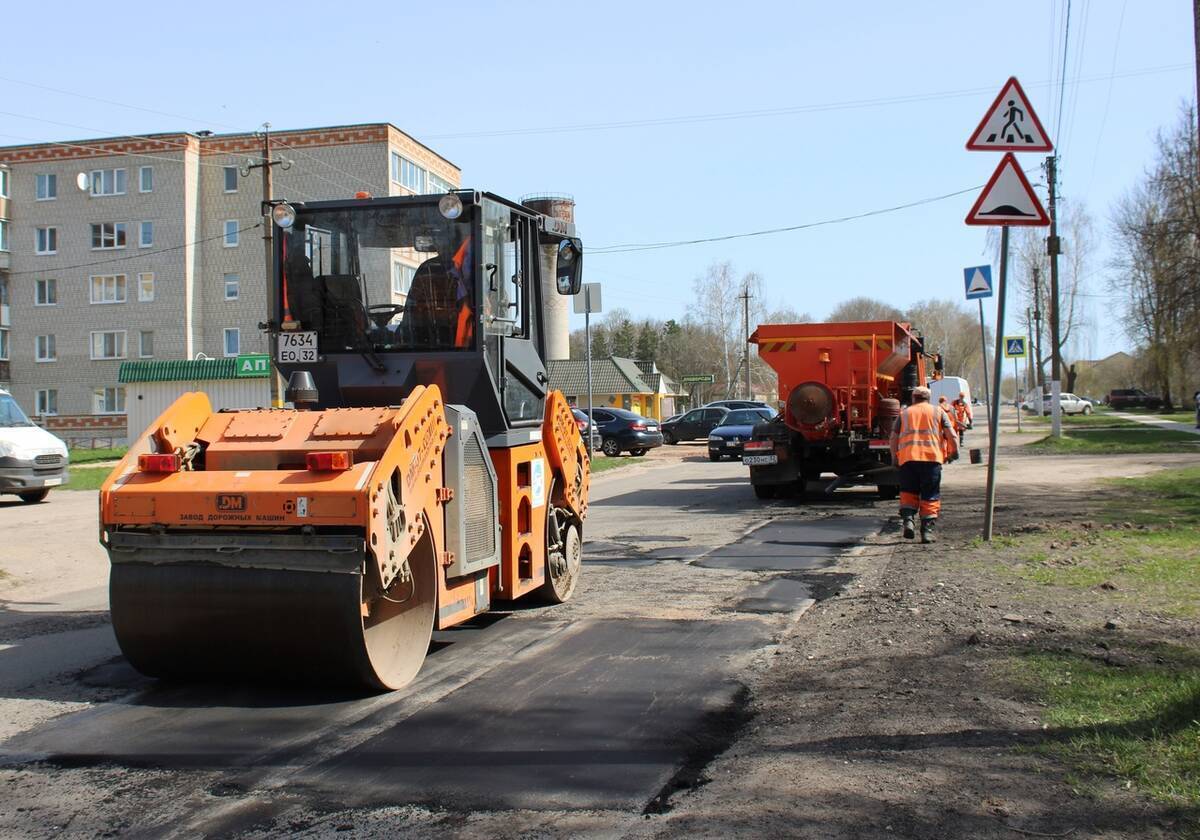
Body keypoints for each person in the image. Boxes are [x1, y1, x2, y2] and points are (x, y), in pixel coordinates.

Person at [891, 386, 959, 544]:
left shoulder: (904, 413)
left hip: (908, 460)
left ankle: (908, 519)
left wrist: (895, 457)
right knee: (930, 494)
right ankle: (927, 531)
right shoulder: (938, 412)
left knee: (908, 491)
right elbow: (952, 435)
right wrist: (953, 452)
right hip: (932, 460)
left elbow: (893, 438)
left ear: (913, 398)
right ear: (929, 398)